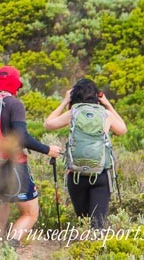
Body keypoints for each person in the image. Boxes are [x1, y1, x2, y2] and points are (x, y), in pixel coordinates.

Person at [0, 65, 62, 247]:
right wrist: (47, 149)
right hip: (13, 165)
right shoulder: (14, 104)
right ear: (14, 84)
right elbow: (22, 137)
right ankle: (10, 249)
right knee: (30, 213)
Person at [44, 78, 127, 228]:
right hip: (101, 173)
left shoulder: (73, 112)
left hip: (76, 175)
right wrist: (108, 104)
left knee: (84, 220)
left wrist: (64, 102)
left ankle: (83, 247)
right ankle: (96, 248)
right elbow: (122, 129)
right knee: (97, 224)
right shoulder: (105, 114)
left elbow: (48, 124)